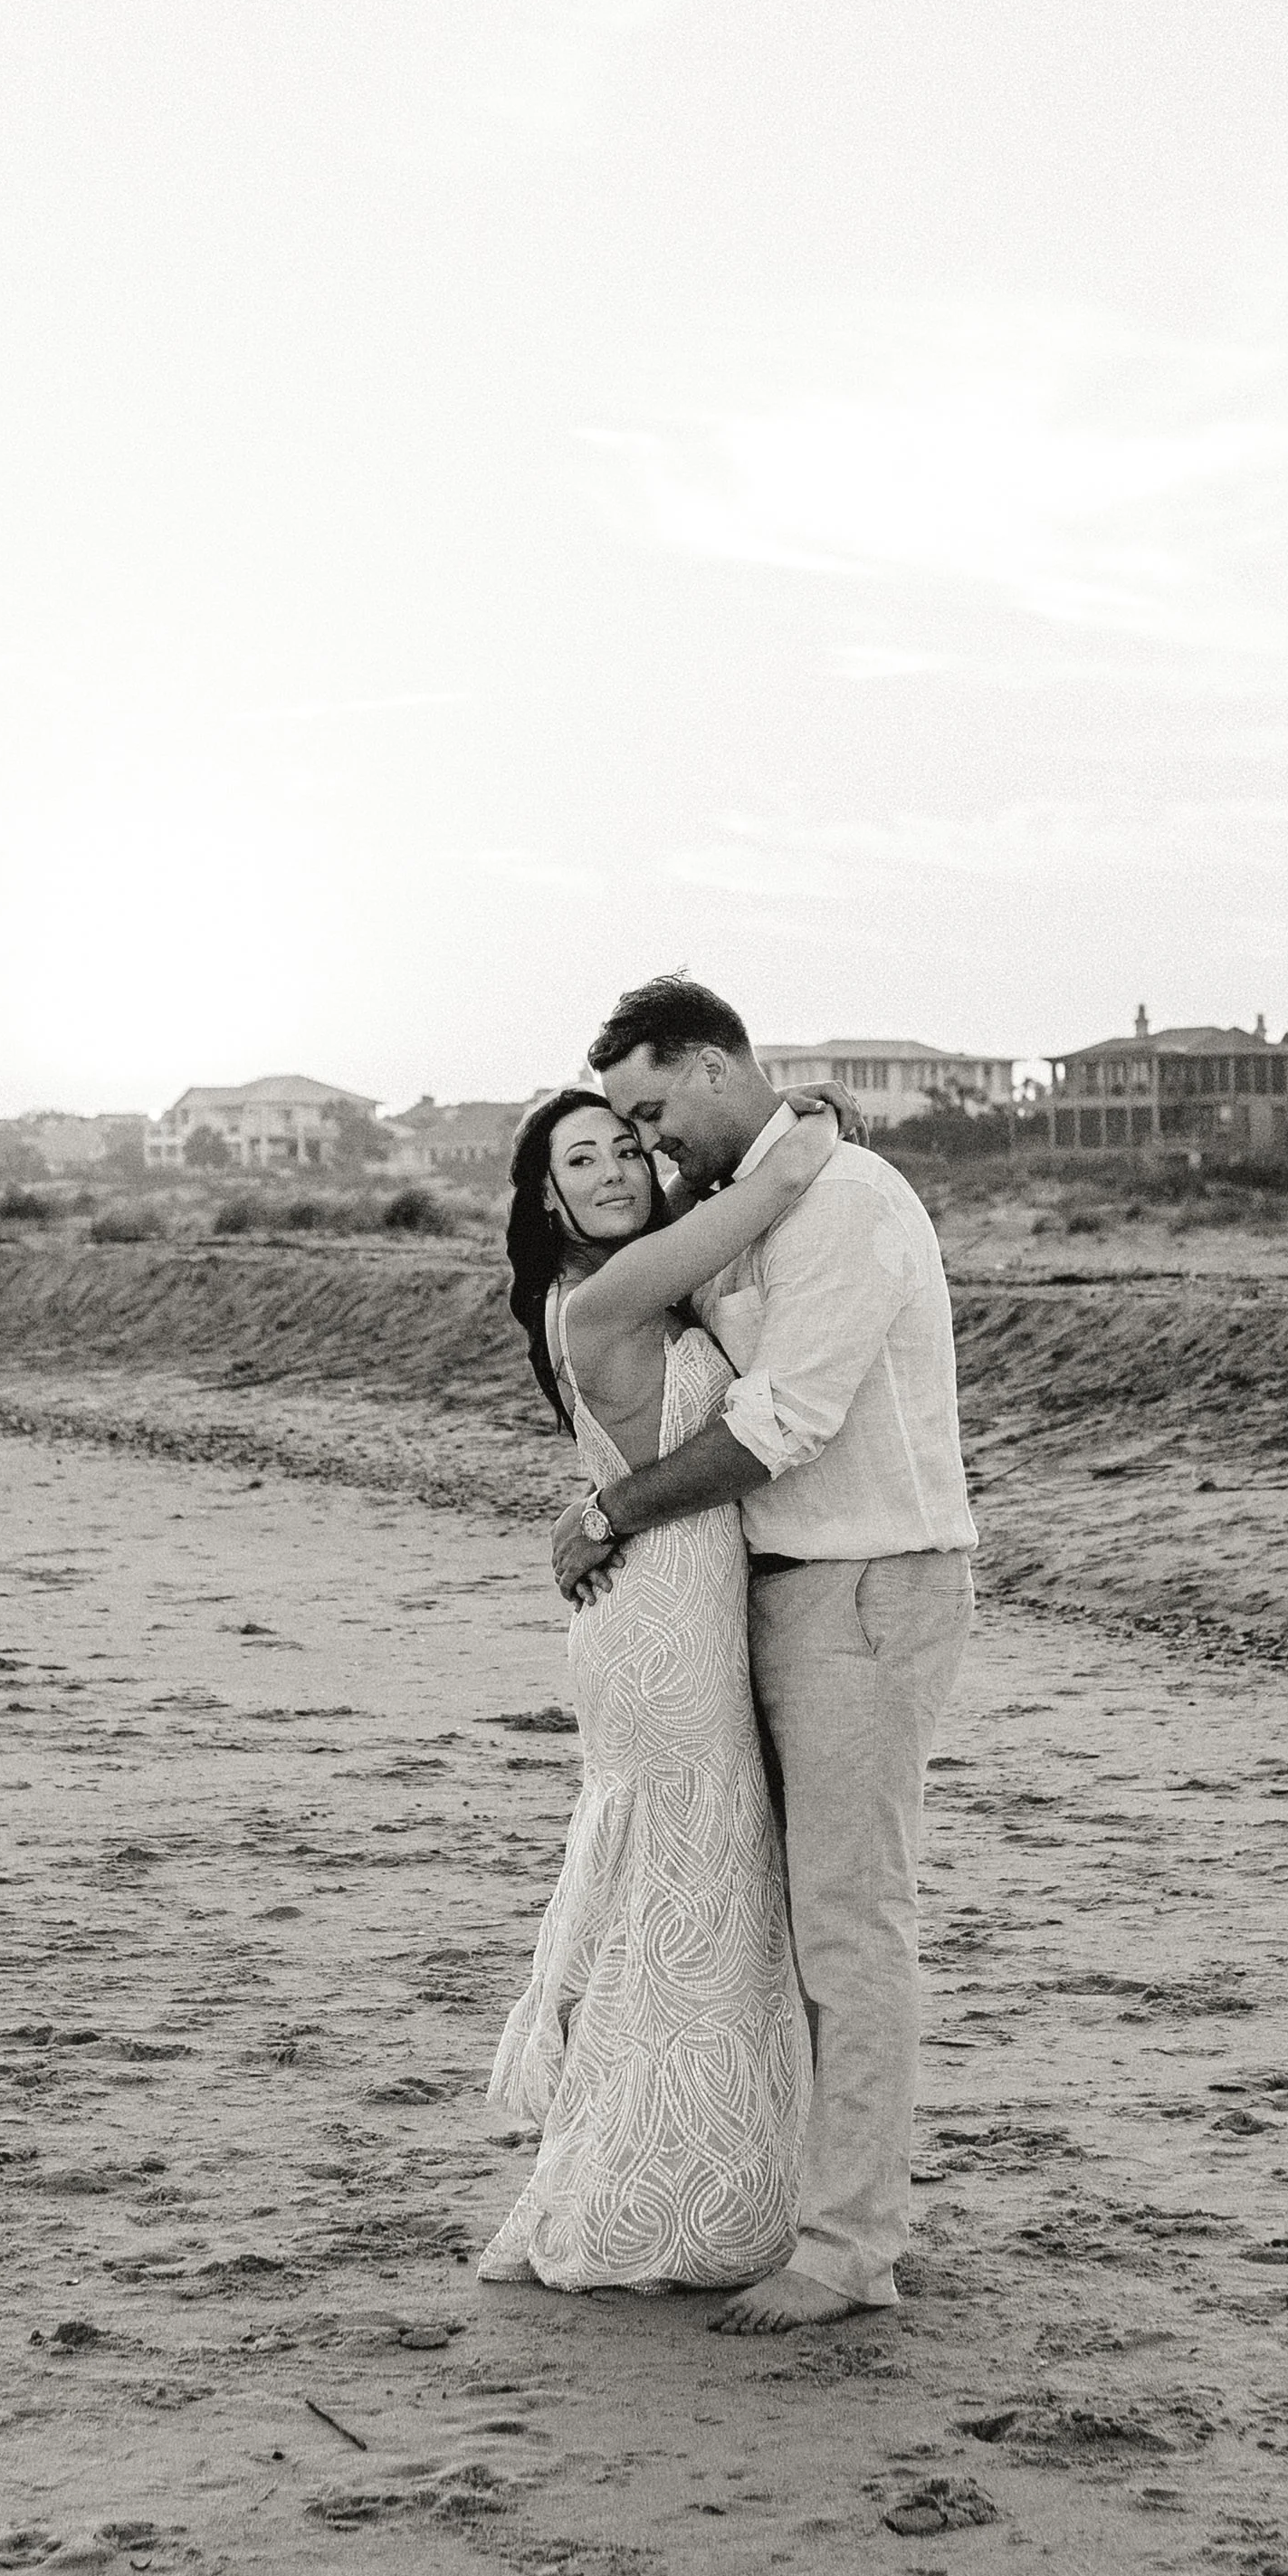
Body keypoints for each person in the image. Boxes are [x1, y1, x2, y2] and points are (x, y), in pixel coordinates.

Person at [550, 974, 977, 2333]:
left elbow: (782, 1420)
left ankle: (853, 2246)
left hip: (864, 1581)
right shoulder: (771, 1195)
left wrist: (614, 1505)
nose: (653, 1146)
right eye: (623, 1129)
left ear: (720, 1063)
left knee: (852, 1929)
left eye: (656, 1110)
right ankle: (798, 2197)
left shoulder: (844, 1202)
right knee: (793, 1926)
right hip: (785, 1590)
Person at [479, 1083, 841, 2294]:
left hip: (680, 1600)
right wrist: (814, 1122)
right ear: (547, 1194)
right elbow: (772, 1190)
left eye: (630, 1147)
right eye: (582, 1157)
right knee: (683, 1889)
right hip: (657, 1624)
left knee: (698, 1889)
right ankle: (641, 2183)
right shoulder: (598, 1296)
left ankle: (702, 2167)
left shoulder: (642, 1278)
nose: (616, 1168)